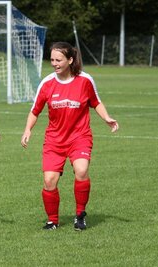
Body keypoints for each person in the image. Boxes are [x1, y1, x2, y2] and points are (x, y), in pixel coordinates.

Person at [21, 42, 119, 231]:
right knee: (49, 181)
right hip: (54, 140)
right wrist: (27, 130)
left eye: (59, 60)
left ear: (70, 60)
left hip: (79, 137)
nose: (55, 63)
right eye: (52, 60)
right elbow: (35, 111)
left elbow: (96, 101)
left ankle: (80, 215)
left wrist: (106, 117)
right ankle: (52, 220)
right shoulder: (47, 83)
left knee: (81, 171)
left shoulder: (85, 80)